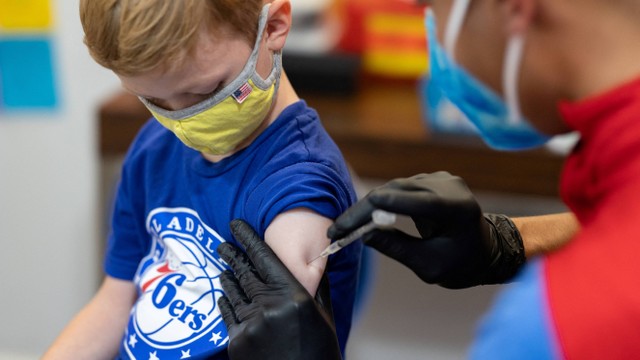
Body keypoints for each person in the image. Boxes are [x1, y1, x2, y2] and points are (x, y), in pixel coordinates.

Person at [217, 0, 640, 358]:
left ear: (515, 8)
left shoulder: (561, 327)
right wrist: (511, 243)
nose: (437, 43)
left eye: (433, 7)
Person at [43, 0, 362, 359]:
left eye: (203, 93)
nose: (183, 119)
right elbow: (116, 301)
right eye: (153, 100)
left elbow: (276, 342)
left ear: (272, 28)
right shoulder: (154, 148)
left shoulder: (299, 188)